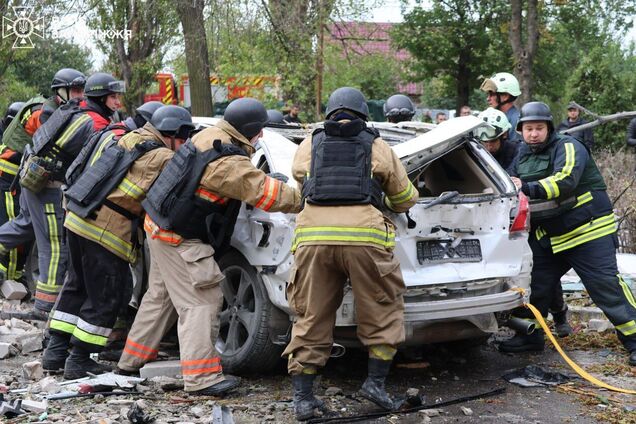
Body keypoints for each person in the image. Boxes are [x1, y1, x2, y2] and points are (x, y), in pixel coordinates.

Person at [116, 98, 300, 396]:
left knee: (161, 297)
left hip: (158, 226)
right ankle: (202, 379)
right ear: (250, 129)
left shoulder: (209, 136)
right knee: (202, 299)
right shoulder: (228, 162)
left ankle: (130, 361)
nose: (262, 136)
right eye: (260, 130)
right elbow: (268, 196)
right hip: (179, 237)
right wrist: (307, 193)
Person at [283, 87, 417, 420]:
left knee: (310, 315)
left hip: (313, 238)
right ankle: (374, 384)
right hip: (365, 239)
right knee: (382, 310)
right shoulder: (377, 146)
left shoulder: (308, 145)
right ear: (362, 114)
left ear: (329, 113)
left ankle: (303, 399)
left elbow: (302, 187)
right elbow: (404, 199)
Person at [42, 105, 193, 379]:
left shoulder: (130, 137)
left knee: (76, 287)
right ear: (172, 133)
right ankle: (79, 359)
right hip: (107, 230)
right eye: (184, 138)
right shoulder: (164, 157)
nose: (184, 144)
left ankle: (55, 352)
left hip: (78, 217)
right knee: (106, 296)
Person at [504, 101, 636, 366]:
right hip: (551, 235)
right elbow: (508, 183)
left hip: (588, 231)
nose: (533, 134)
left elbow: (565, 181)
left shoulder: (569, 146)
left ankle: (634, 340)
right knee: (532, 286)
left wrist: (527, 187)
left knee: (605, 287)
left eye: (539, 128)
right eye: (528, 129)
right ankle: (529, 336)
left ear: (549, 128)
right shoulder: (521, 155)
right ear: (520, 131)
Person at [0, 68, 86, 303]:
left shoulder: (55, 108)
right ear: (60, 92)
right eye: (76, 91)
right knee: (54, 242)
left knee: (24, 224)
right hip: (28, 181)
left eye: (82, 91)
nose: (80, 96)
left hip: (29, 180)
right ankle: (47, 302)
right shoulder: (46, 113)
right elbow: (56, 144)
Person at [475, 108, 519, 173]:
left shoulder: (517, 152)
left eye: (493, 141)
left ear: (504, 134)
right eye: (484, 141)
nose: (489, 147)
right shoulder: (476, 153)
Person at [480, 72, 521, 141]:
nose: (488, 99)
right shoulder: (497, 118)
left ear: (505, 96)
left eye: (492, 94)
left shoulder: (516, 121)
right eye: (488, 95)